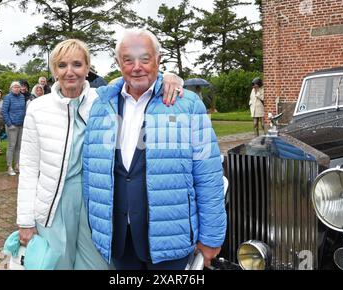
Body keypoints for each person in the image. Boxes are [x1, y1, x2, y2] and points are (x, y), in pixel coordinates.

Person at [16, 38, 184, 270]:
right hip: (52, 205)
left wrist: (169, 76)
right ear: (54, 70)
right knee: (55, 264)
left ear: (87, 68)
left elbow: (137, 77)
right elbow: (28, 167)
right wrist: (25, 220)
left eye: (77, 64)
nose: (70, 72)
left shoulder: (103, 100)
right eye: (62, 65)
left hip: (96, 202)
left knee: (98, 265)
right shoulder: (37, 107)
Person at [82, 29, 226, 270]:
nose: (136, 66)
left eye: (145, 59)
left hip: (170, 236)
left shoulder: (187, 105)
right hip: (118, 239)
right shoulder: (101, 106)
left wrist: (211, 237)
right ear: (118, 64)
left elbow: (208, 175)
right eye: (128, 60)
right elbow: (90, 172)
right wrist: (98, 226)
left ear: (159, 61)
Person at [2, 81, 26, 176]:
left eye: (18, 87)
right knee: (11, 146)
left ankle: (17, 165)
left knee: (19, 147)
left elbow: (23, 110)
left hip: (21, 125)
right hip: (12, 126)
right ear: (11, 88)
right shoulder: (8, 97)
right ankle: (9, 166)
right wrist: (9, 124)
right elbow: (4, 111)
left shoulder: (22, 97)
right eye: (15, 87)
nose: (16, 88)